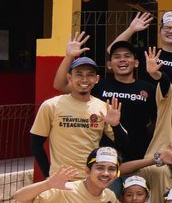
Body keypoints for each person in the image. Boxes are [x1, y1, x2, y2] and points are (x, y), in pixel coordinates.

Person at [52, 33, 157, 164]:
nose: (122, 59)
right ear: (109, 65)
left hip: (139, 155)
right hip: (104, 158)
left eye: (127, 56)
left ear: (136, 63)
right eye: (117, 57)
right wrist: (69, 57)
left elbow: (155, 121)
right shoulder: (99, 85)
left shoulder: (148, 88)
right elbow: (60, 85)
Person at [31, 50, 124, 175]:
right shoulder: (51, 105)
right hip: (62, 182)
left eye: (90, 75)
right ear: (69, 77)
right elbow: (36, 145)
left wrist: (116, 125)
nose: (84, 79)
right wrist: (49, 176)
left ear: (96, 79)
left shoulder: (103, 107)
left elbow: (123, 144)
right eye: (79, 74)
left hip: (92, 181)